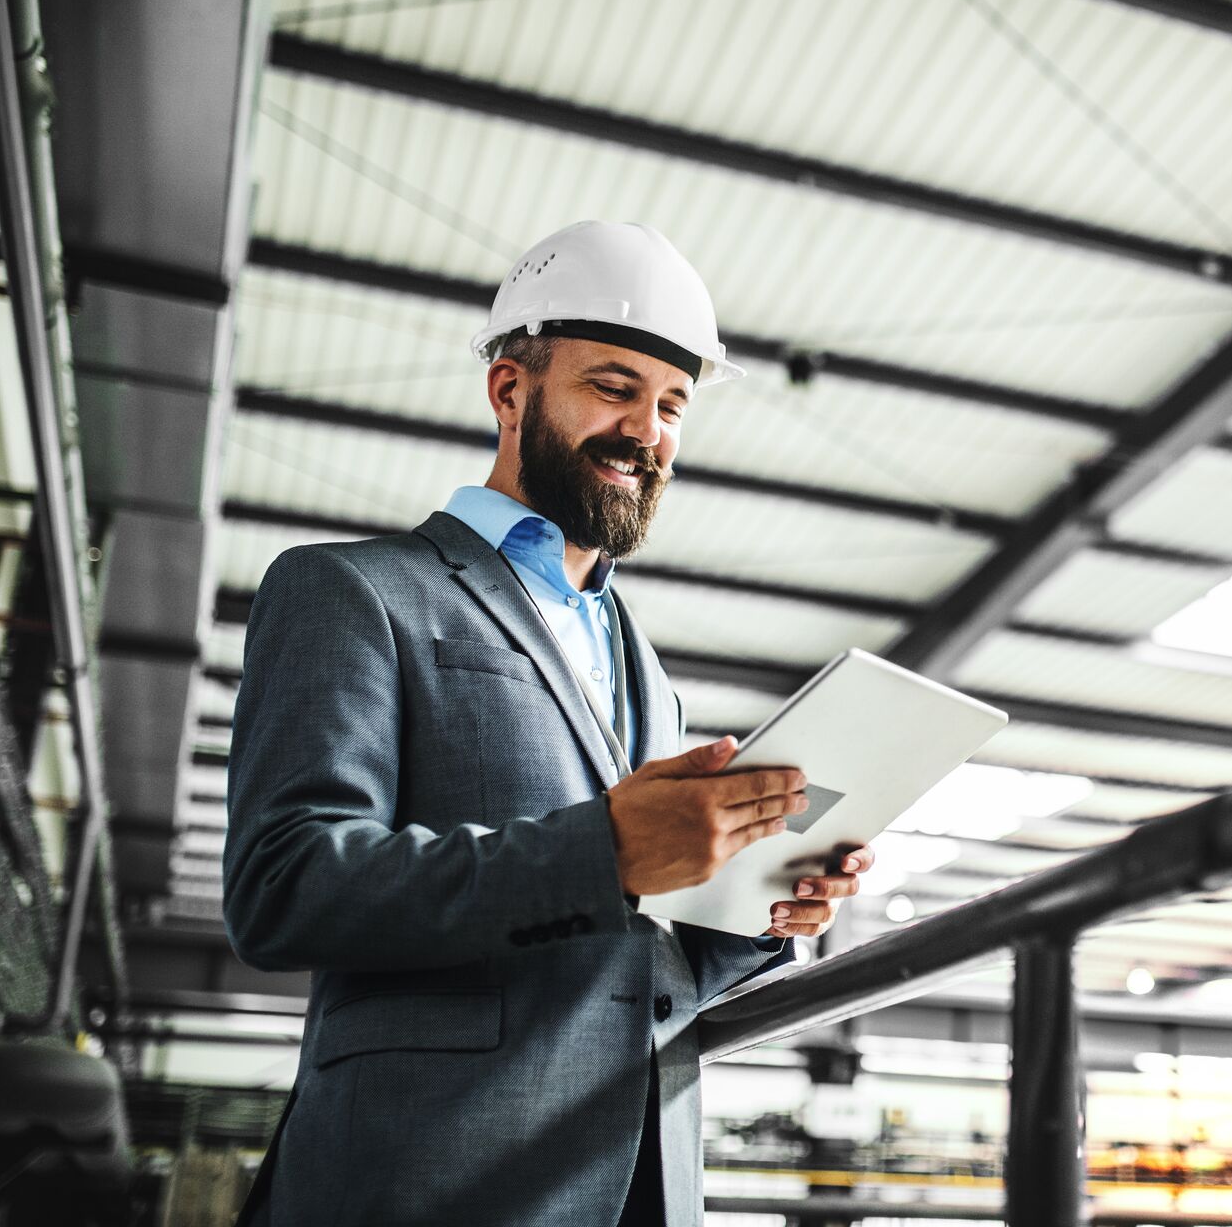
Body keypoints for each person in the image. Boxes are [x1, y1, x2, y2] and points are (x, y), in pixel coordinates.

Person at [222, 222, 873, 1226]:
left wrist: (754, 912)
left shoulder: (645, 671)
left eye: (672, 405)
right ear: (509, 392)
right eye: (614, 388)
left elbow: (630, 957)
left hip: (632, 1187)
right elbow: (285, 886)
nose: (647, 431)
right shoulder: (353, 591)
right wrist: (605, 851)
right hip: (426, 1184)